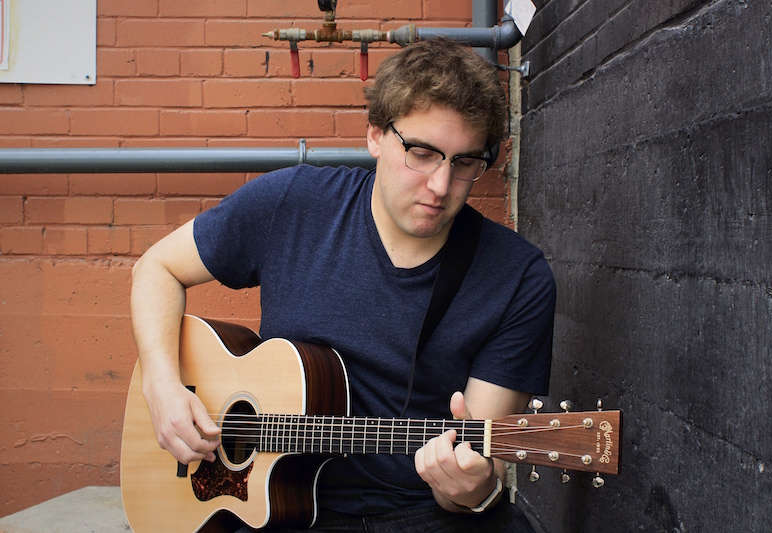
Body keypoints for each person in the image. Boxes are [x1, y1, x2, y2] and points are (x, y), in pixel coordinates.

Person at [130, 38, 555, 532]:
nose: (441, 186)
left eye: (464, 163)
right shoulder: (293, 203)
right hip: (268, 501)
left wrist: (470, 488)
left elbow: (481, 468)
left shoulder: (517, 277)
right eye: (421, 153)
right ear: (375, 135)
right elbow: (156, 268)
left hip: (419, 513)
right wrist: (161, 385)